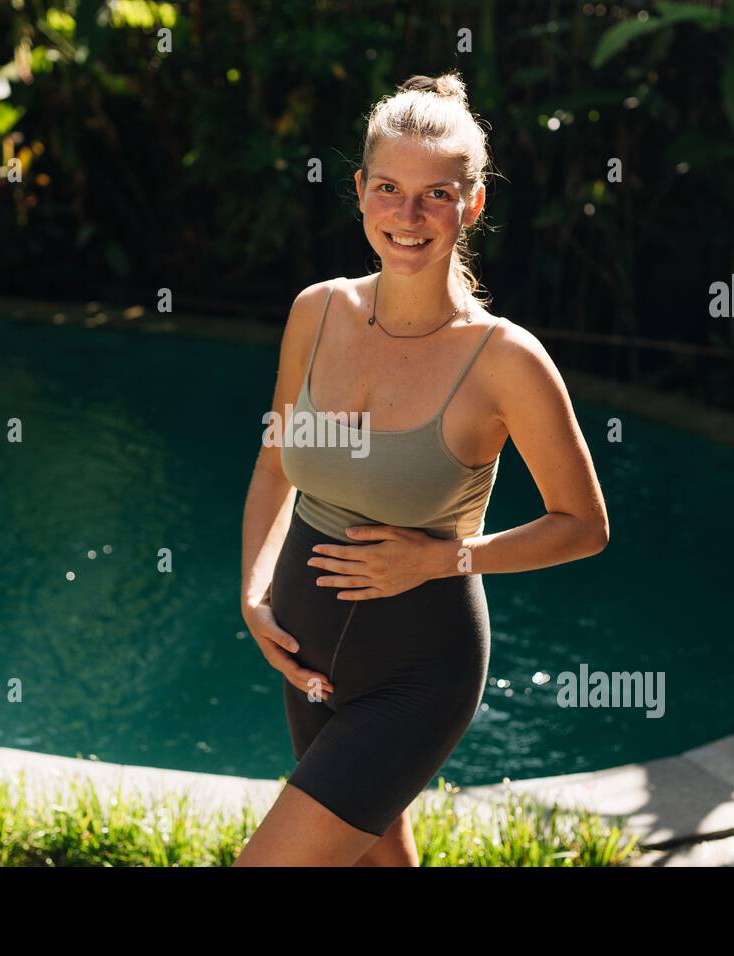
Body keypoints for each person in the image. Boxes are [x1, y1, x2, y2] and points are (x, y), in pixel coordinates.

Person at [235, 71, 609, 867]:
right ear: (361, 191)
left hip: (418, 669)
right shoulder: (317, 311)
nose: (408, 217)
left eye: (436, 194)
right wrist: (254, 592)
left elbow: (585, 526)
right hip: (307, 659)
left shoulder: (506, 361)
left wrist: (444, 558)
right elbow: (275, 465)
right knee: (380, 860)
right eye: (389, 189)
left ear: (472, 206)